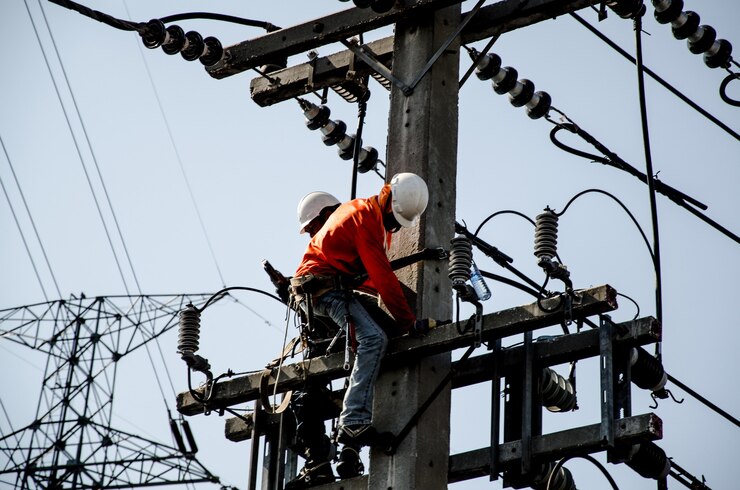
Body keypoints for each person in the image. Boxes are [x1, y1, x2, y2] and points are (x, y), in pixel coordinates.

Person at [291, 172, 432, 480]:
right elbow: (382, 278)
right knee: (373, 340)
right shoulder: (364, 218)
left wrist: (402, 326)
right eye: (394, 220)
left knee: (384, 337)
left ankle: (350, 448)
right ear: (387, 201)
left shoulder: (376, 221)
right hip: (322, 291)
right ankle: (353, 422)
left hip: (335, 290)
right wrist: (409, 322)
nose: (395, 227)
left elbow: (370, 281)